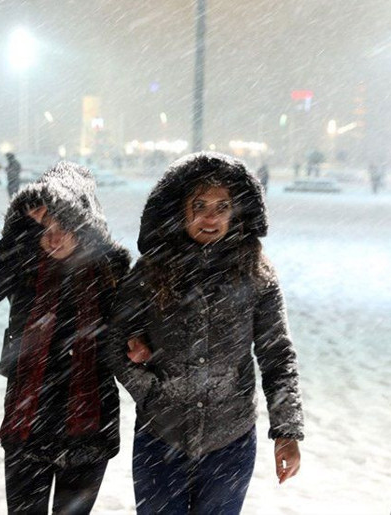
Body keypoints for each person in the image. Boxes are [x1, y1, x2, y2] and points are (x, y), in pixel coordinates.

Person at [112, 152, 304, 514]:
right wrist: (149, 390)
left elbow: (277, 355)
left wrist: (287, 431)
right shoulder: (149, 271)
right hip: (160, 438)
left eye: (222, 206)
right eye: (199, 206)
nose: (211, 218)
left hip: (230, 441)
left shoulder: (257, 274)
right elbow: (114, 337)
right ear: (180, 211)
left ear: (236, 212)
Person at [0, 162, 131, 514]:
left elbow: (135, 327)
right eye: (45, 227)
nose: (54, 238)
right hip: (28, 421)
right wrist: (19, 236)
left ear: (84, 225)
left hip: (89, 423)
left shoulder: (109, 268)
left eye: (65, 226)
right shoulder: (24, 261)